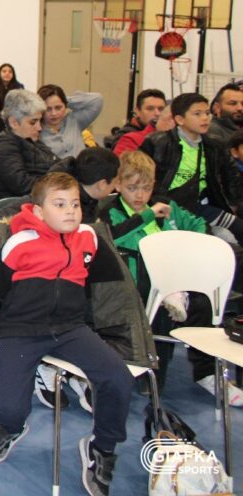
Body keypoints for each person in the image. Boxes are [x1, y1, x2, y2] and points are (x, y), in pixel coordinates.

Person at [0, 173, 134, 496]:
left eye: (74, 204)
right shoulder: (19, 243)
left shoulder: (89, 238)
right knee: (11, 410)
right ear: (38, 210)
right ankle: (10, 428)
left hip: (71, 329)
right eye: (59, 204)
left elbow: (113, 288)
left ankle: (102, 448)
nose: (70, 211)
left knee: (118, 377)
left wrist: (117, 334)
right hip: (20, 331)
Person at [97, 152, 237, 405]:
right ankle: (153, 375)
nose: (140, 195)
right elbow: (113, 238)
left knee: (203, 304)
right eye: (132, 188)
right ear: (118, 184)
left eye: (146, 188)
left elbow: (198, 224)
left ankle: (206, 373)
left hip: (178, 278)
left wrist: (188, 240)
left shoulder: (166, 206)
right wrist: (147, 216)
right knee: (161, 308)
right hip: (138, 285)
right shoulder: (112, 211)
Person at [141, 92, 243, 240]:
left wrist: (235, 204)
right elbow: (140, 175)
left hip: (199, 206)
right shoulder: (157, 142)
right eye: (197, 113)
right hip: (166, 206)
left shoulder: (214, 145)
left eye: (207, 113)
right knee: (215, 239)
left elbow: (231, 177)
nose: (205, 118)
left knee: (238, 228)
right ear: (180, 119)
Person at [0, 89, 59, 200]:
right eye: (33, 122)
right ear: (14, 123)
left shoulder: (30, 139)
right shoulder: (2, 147)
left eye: (40, 121)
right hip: (18, 205)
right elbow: (21, 185)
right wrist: (59, 183)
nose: (39, 127)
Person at [38, 84, 104, 159]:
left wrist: (64, 99)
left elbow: (97, 100)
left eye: (58, 107)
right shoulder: (37, 132)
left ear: (65, 106)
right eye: (48, 109)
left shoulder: (73, 120)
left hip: (82, 165)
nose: (54, 113)